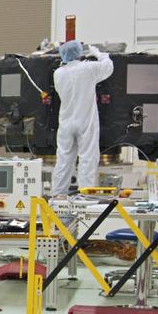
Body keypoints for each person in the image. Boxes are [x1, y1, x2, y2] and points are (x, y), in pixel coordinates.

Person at [50, 40, 114, 198]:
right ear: (79, 53)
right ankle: (85, 194)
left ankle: (58, 194)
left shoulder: (58, 73)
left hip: (66, 122)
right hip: (85, 120)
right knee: (87, 157)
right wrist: (100, 54)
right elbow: (108, 67)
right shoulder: (87, 68)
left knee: (64, 159)